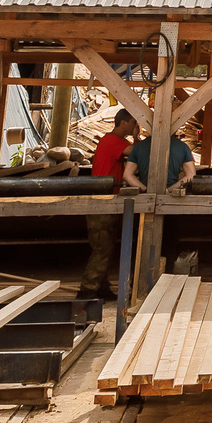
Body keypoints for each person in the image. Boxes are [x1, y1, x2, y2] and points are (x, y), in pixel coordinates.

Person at [78, 110, 138, 299]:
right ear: (123, 123)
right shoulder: (113, 141)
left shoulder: (110, 140)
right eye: (133, 122)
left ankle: (101, 287)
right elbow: (137, 153)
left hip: (105, 199)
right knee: (102, 248)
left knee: (105, 246)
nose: (135, 126)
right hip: (102, 201)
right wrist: (137, 137)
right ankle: (87, 290)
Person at [123, 116, 199, 195]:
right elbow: (191, 175)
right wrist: (169, 190)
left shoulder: (139, 146)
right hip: (172, 197)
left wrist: (145, 190)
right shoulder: (183, 147)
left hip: (145, 197)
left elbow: (127, 175)